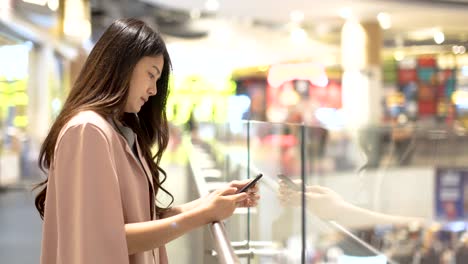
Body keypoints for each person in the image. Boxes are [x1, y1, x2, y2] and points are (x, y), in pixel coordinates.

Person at [33, 18, 259, 264]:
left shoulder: (119, 130)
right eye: (151, 75)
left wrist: (209, 202)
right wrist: (203, 214)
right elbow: (106, 239)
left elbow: (142, 220)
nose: (153, 90)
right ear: (121, 66)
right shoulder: (88, 131)